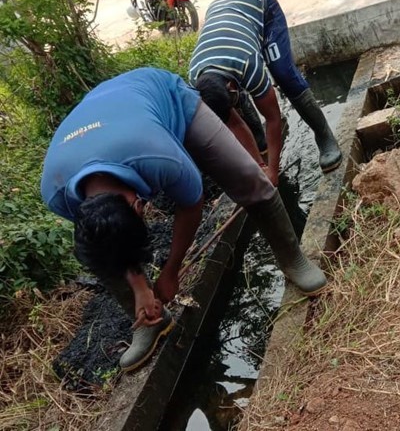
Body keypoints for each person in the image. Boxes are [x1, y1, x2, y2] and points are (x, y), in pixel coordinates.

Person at [40, 67, 327, 372]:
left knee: (246, 176)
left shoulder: (158, 158)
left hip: (165, 95)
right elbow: (108, 246)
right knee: (105, 250)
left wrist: (171, 271)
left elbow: (191, 203)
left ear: (140, 207)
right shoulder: (56, 192)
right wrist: (140, 288)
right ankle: (149, 319)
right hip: (104, 116)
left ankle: (293, 259)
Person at [188, 0, 342, 186]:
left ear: (230, 86)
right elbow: (233, 123)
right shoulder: (195, 79)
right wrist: (261, 168)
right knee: (236, 109)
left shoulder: (247, 63)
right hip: (223, 16)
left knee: (284, 76)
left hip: (262, 9)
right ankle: (261, 151)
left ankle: (324, 135)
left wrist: (274, 171)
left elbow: (272, 117)